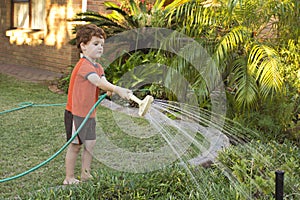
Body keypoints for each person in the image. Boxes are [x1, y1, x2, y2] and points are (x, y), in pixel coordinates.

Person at [63, 24, 132, 185]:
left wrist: (111, 89)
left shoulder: (97, 66)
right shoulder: (83, 66)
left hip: (90, 114)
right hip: (76, 113)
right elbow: (96, 81)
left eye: (102, 45)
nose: (100, 48)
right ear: (83, 46)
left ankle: (86, 174)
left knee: (90, 144)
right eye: (95, 44)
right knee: (75, 146)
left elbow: (103, 81)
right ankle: (69, 177)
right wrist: (116, 89)